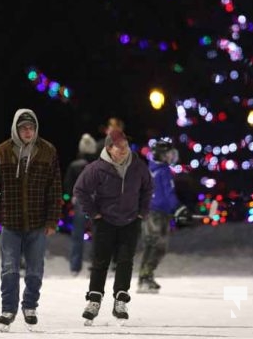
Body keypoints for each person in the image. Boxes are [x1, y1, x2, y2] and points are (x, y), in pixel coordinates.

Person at [0, 108, 62, 331]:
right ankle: (8, 309)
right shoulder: (2, 152)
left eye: (31, 127)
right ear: (16, 129)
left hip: (37, 222)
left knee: (35, 268)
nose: (28, 131)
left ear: (36, 129)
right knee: (9, 268)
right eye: (23, 128)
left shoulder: (48, 151)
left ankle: (30, 306)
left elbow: (54, 189)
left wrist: (52, 220)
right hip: (11, 220)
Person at [73, 129, 153, 323]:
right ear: (109, 148)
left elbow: (148, 188)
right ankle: (94, 300)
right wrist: (94, 214)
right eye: (120, 146)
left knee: (125, 261)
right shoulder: (97, 168)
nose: (125, 149)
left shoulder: (138, 166)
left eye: (126, 145)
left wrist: (142, 211)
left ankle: (120, 300)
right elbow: (80, 190)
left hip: (130, 222)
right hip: (105, 222)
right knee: (100, 262)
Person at [137, 138, 180, 293]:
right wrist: (178, 208)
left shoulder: (150, 169)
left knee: (151, 244)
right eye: (168, 154)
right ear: (161, 154)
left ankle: (145, 277)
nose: (171, 157)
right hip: (157, 213)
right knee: (158, 246)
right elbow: (168, 193)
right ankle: (145, 278)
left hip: (150, 212)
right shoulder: (163, 171)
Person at [64, 133, 97, 275]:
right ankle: (95, 264)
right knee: (97, 234)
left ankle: (75, 267)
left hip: (80, 201)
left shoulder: (74, 165)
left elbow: (68, 184)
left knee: (78, 234)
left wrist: (71, 196)